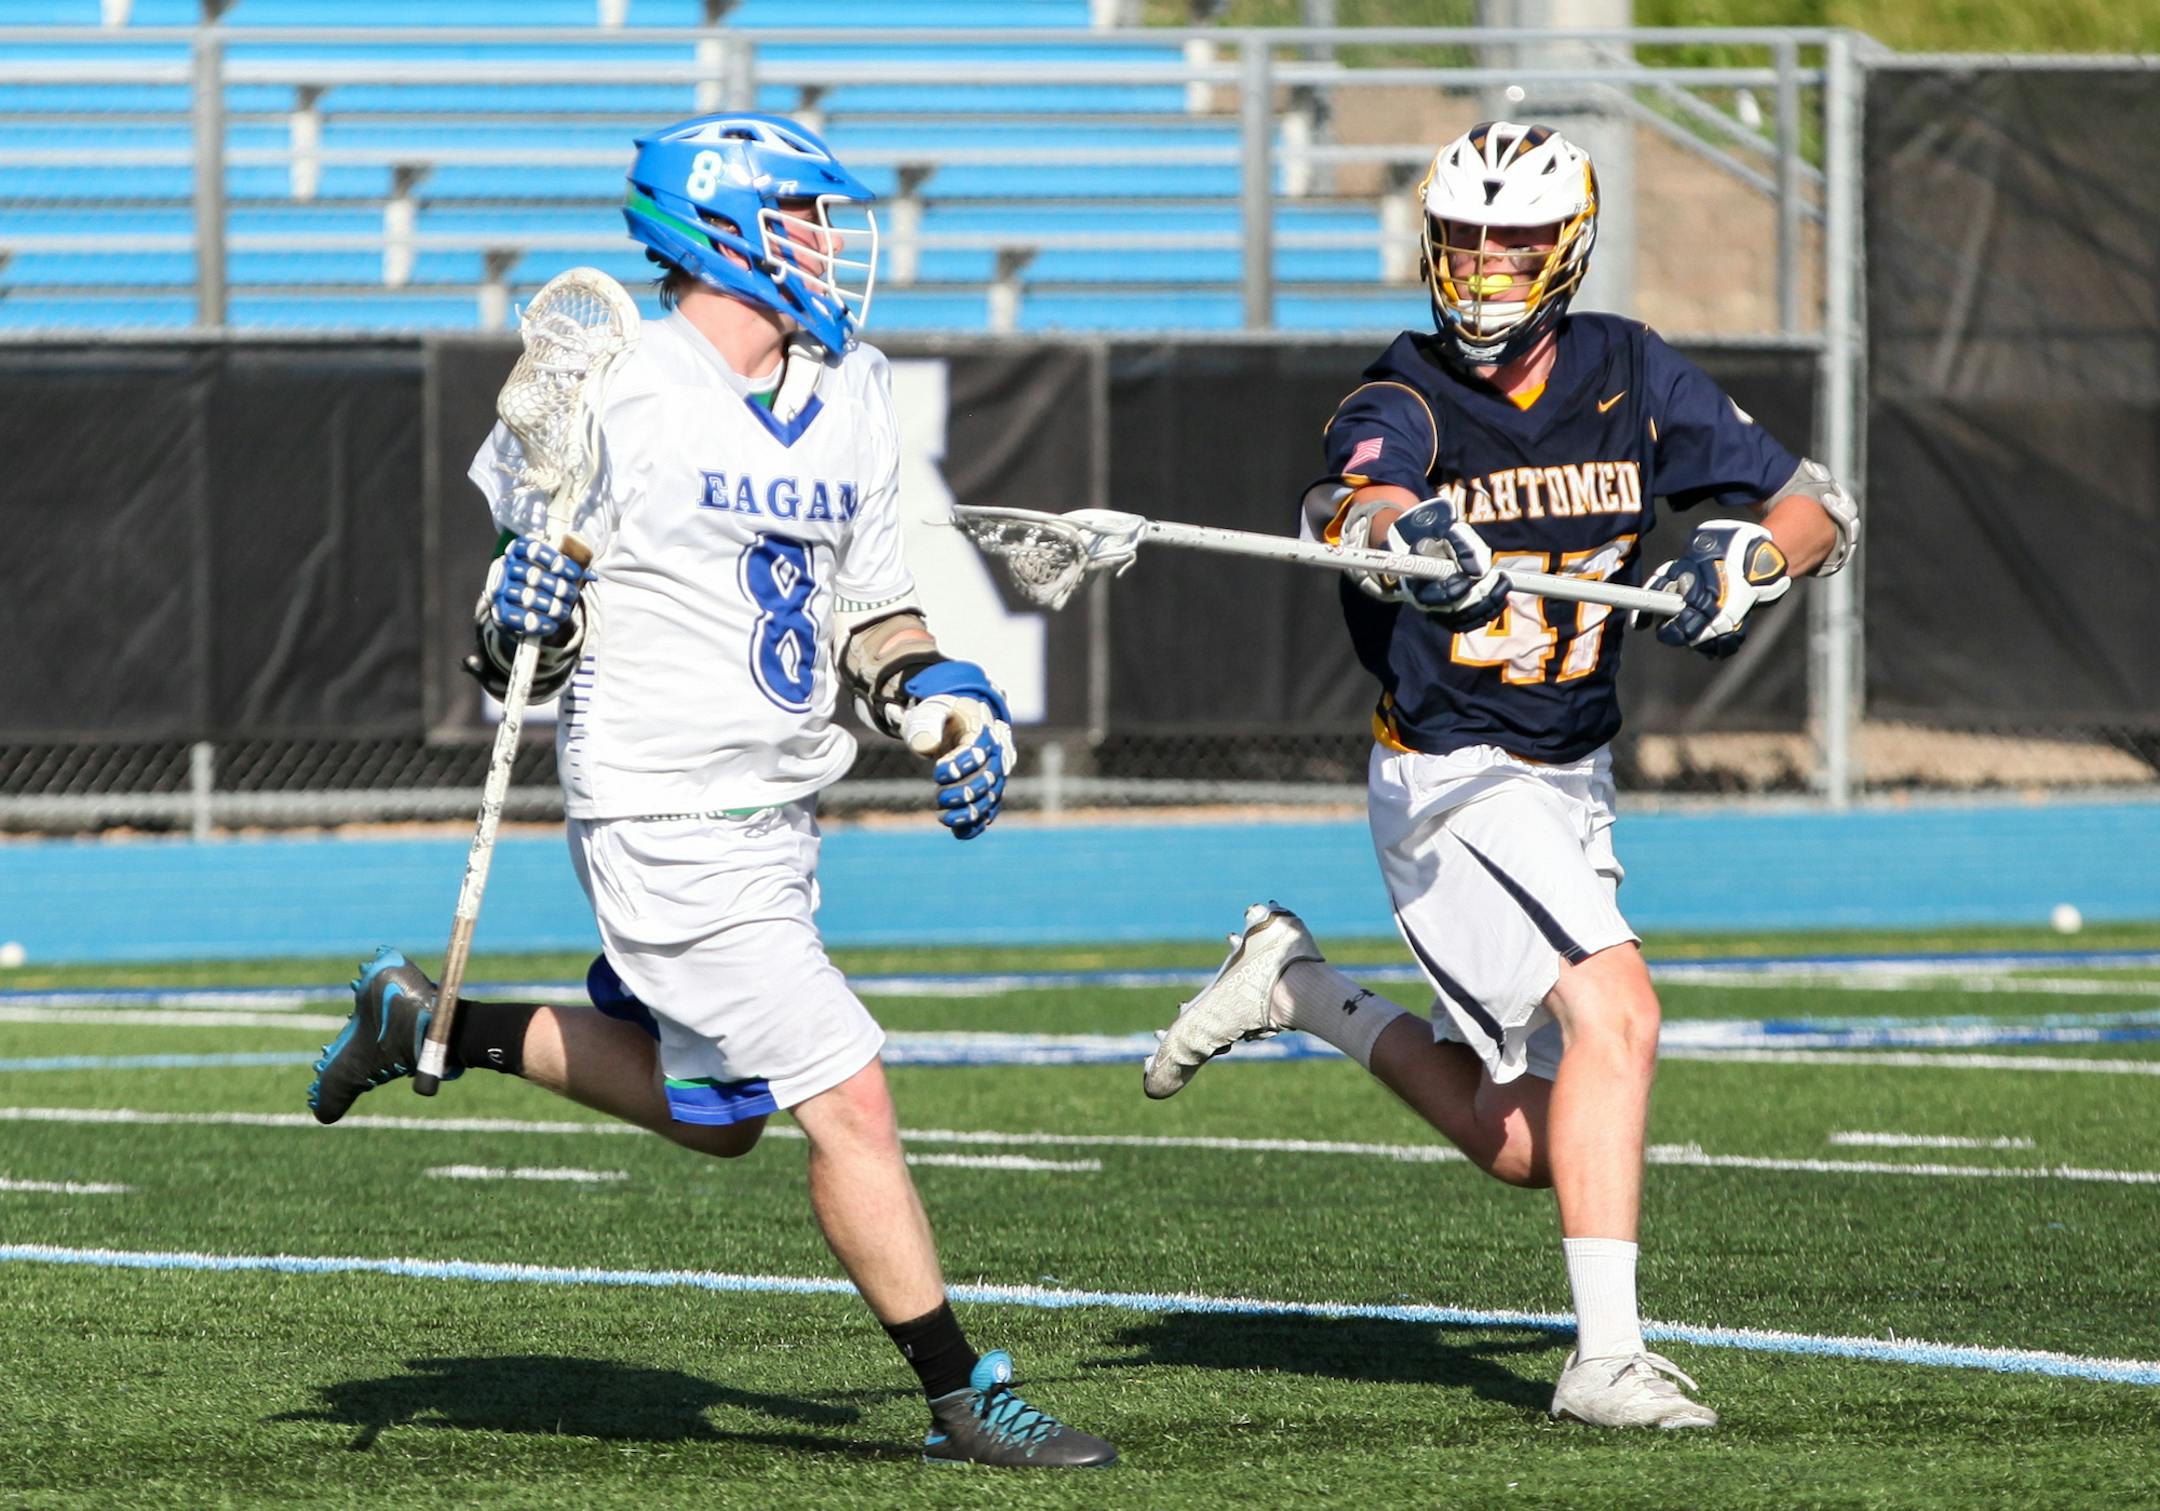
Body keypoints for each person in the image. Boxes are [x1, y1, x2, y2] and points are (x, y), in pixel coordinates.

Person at [306, 112, 1115, 1470]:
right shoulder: (616, 380)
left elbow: (871, 609)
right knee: (848, 1093)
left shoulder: (851, 388)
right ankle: (962, 1393)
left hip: (779, 808)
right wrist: (523, 609)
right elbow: (512, 648)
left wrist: (936, 698)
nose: (828, 246)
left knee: (720, 1116)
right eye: (803, 218)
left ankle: (427, 1022)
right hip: (660, 809)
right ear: (722, 230)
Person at [1142, 121, 1857, 1430]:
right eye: (1464, 243)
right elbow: (1340, 505)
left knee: (1528, 1141)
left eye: (1513, 246)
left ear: (1566, 250)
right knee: (1621, 1015)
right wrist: (1407, 535)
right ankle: (1606, 1361)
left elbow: (1817, 506)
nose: (1482, 270)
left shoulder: (1629, 370)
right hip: (1455, 774)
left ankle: (1300, 989)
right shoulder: (1405, 391)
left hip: (1572, 772)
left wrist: (1749, 560)